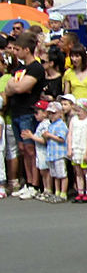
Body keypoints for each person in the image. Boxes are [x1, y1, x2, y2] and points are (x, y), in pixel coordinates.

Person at [5, 32, 46, 199]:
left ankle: (35, 184)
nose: (15, 52)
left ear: (27, 50)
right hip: (16, 110)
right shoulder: (19, 69)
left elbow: (21, 88)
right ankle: (27, 182)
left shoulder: (36, 68)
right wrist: (16, 85)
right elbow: (9, 88)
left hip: (28, 111)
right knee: (22, 148)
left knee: (30, 149)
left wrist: (17, 86)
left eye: (18, 49)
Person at [22, 100, 52, 202]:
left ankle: (49, 189)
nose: (35, 115)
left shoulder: (46, 124)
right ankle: (45, 189)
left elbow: (44, 140)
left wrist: (31, 136)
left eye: (37, 112)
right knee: (42, 171)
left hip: (44, 151)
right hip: (39, 152)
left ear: (45, 113)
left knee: (46, 172)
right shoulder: (40, 124)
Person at [68, 97, 87, 203]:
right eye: (76, 110)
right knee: (78, 172)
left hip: (84, 148)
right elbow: (70, 134)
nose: (78, 113)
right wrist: (69, 148)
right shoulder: (73, 120)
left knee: (85, 171)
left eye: (80, 110)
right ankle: (80, 192)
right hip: (76, 148)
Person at [42, 101, 69, 203]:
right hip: (51, 154)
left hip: (59, 154)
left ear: (60, 113)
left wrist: (49, 135)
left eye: (53, 113)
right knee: (55, 175)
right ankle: (56, 192)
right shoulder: (51, 125)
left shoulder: (61, 125)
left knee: (62, 174)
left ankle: (63, 193)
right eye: (49, 113)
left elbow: (61, 139)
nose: (51, 115)